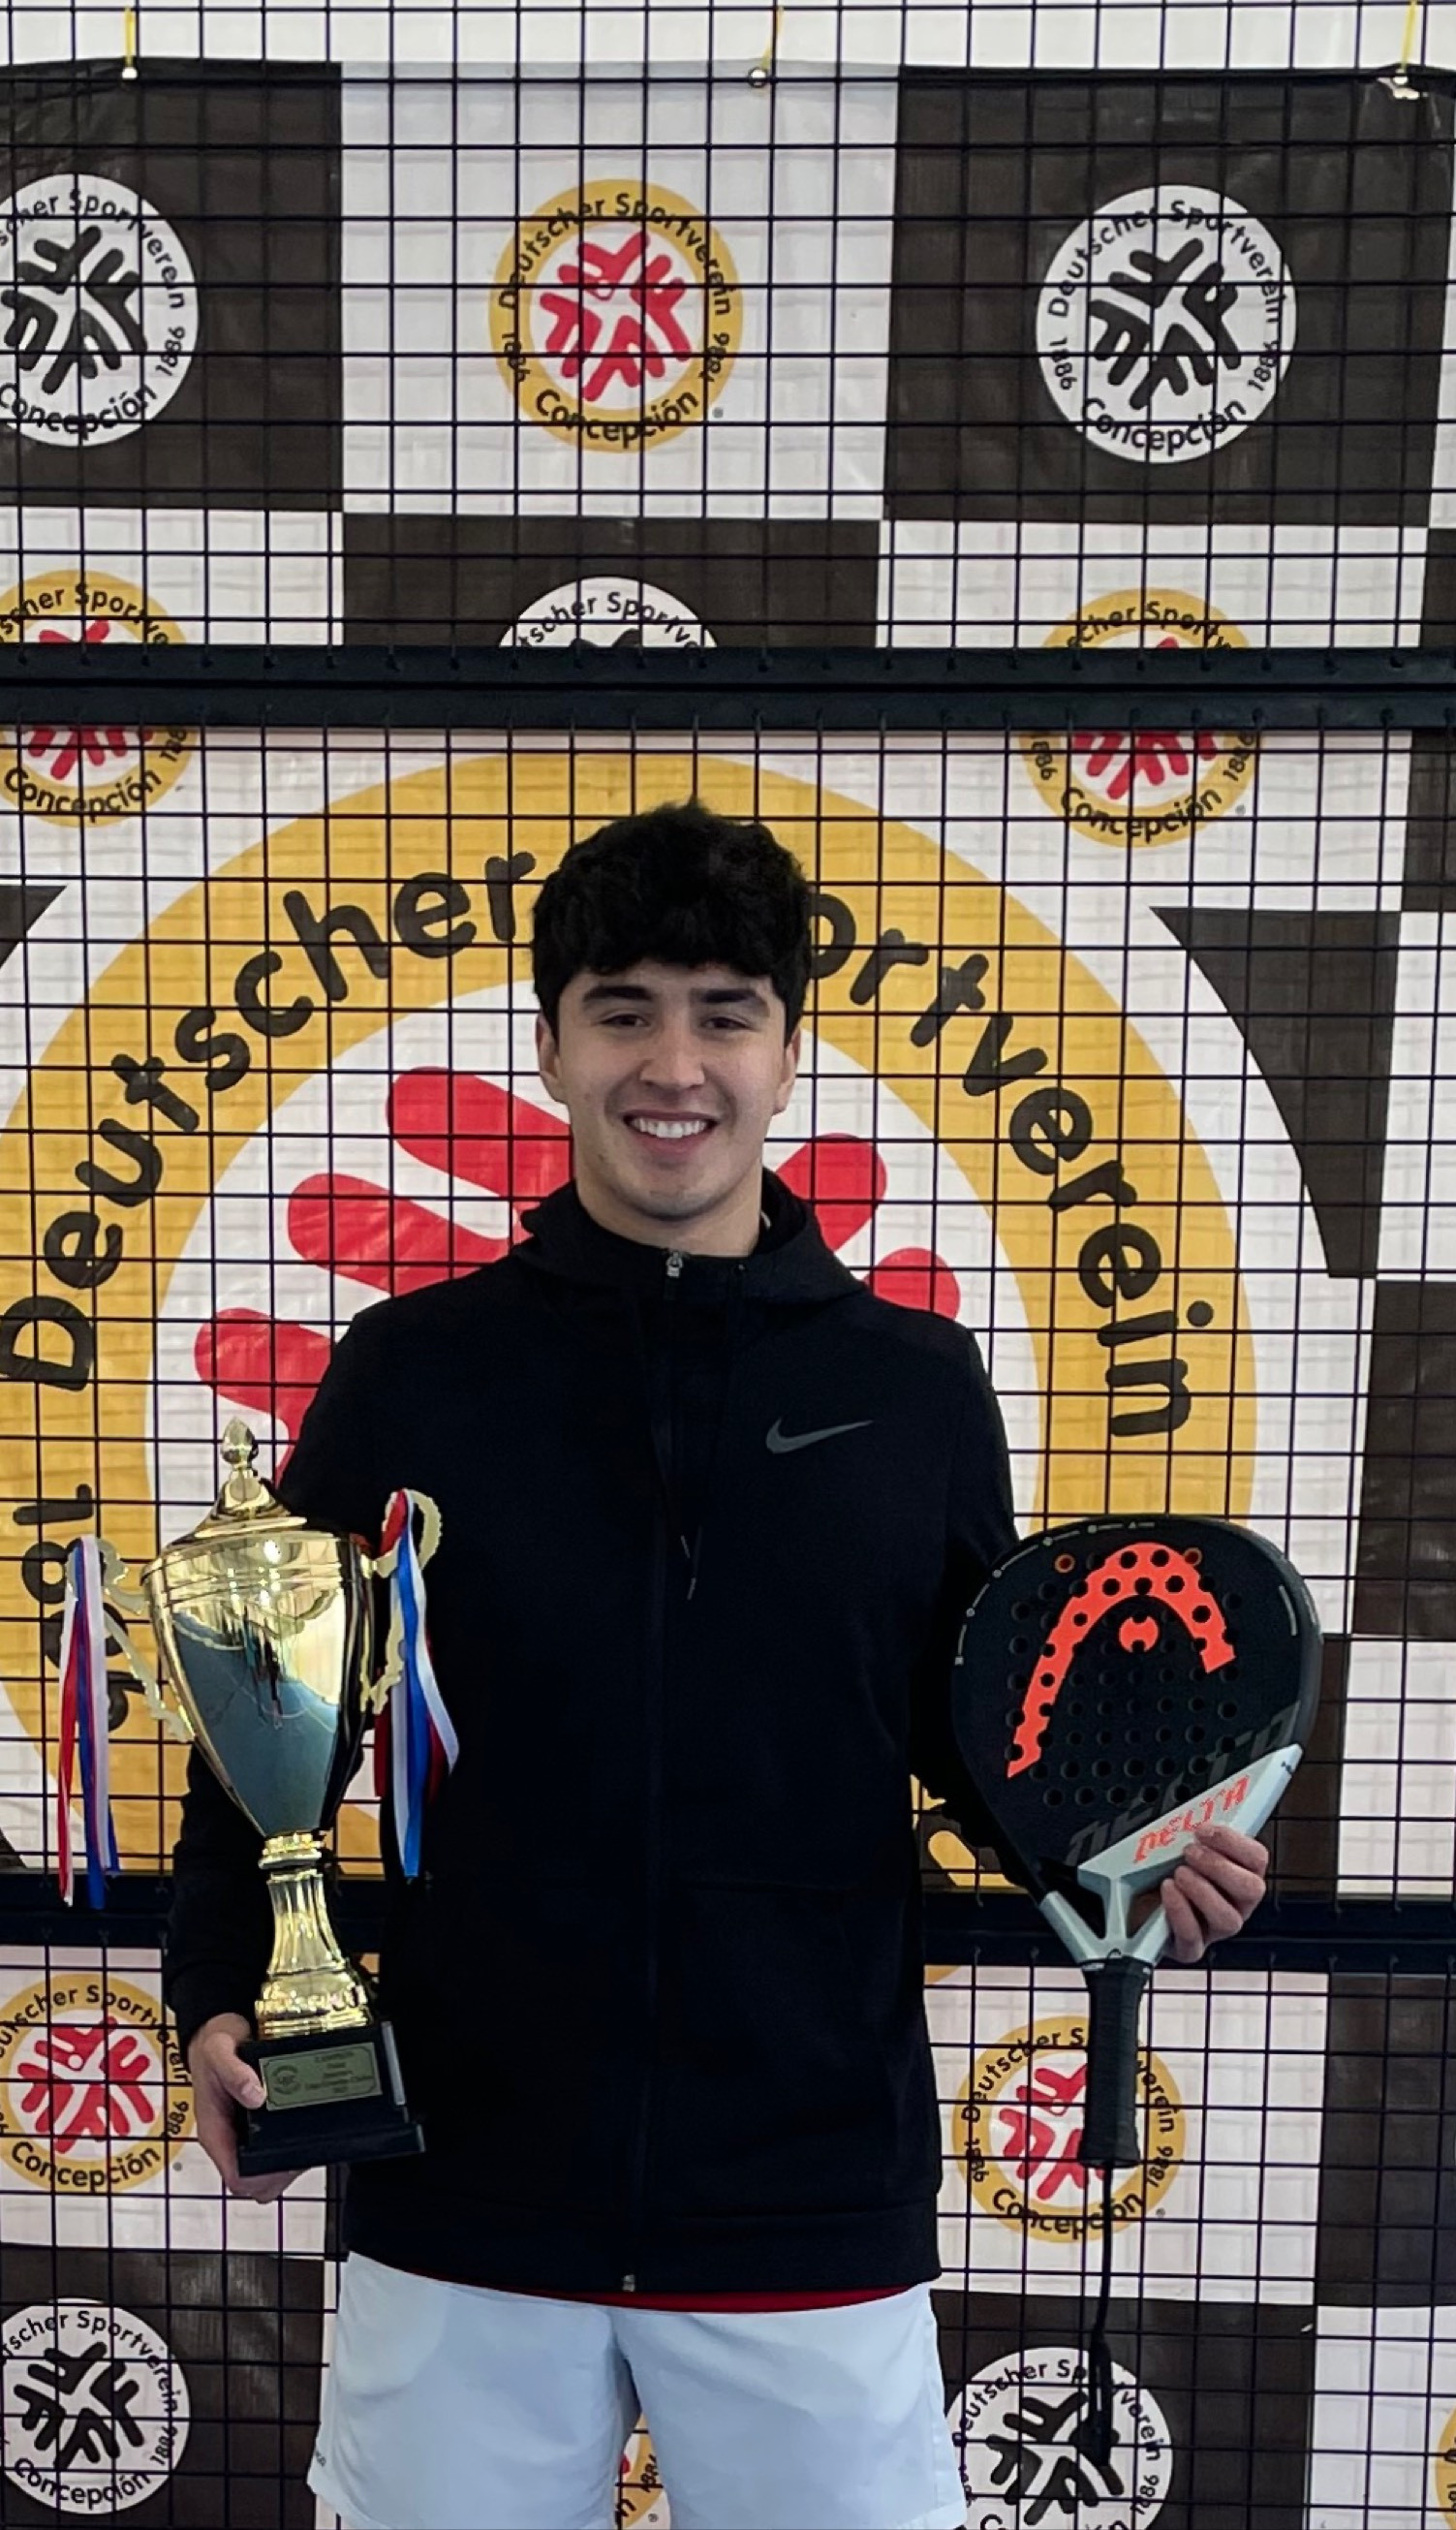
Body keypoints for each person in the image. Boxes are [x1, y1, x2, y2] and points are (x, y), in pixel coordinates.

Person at [164, 799, 1269, 2530]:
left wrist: (1124, 1856)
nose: (672, 1065)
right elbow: (268, 1724)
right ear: (551, 1047)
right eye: (622, 1010)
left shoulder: (918, 1386)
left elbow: (977, 1731)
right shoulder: (411, 1371)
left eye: (723, 1012)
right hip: (465, 2178)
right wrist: (219, 1992)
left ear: (786, 1049)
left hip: (807, 2191)